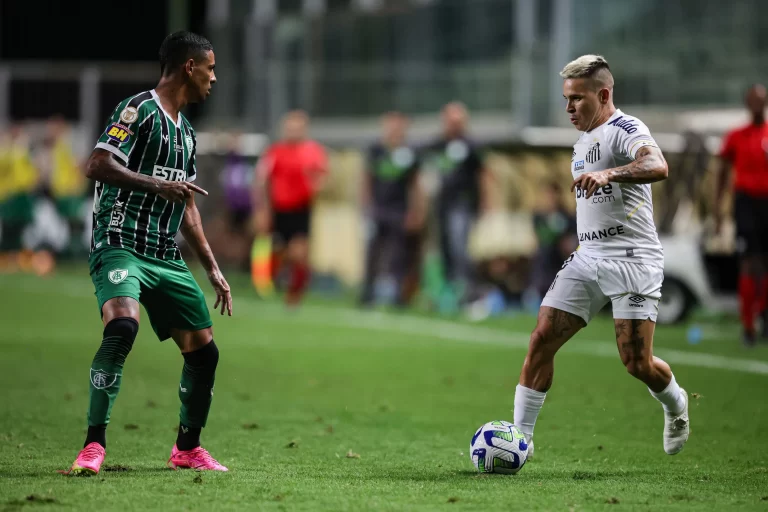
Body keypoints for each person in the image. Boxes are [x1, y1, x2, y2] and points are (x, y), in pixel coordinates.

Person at [63, 31, 232, 476]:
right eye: (211, 69)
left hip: (163, 254)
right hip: (120, 244)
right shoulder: (137, 110)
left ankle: (187, 448)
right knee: (122, 325)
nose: (215, 78)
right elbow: (97, 164)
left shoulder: (188, 134)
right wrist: (158, 184)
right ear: (189, 68)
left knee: (204, 352)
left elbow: (187, 204)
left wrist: (213, 268)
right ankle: (93, 445)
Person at [511, 55, 689, 460]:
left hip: (633, 260)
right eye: (565, 100)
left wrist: (610, 174)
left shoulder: (625, 128)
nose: (569, 108)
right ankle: (520, 441)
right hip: (588, 258)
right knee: (541, 339)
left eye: (576, 99)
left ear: (603, 94)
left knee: (636, 362)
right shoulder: (582, 141)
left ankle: (676, 405)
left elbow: (658, 164)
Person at [253, 110, 328, 307]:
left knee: (299, 253)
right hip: (278, 209)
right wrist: (263, 210)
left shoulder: (313, 152)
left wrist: (316, 185)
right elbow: (263, 181)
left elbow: (322, 178)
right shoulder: (274, 152)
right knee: (279, 251)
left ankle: (295, 294)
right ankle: (275, 282)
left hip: (301, 209)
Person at [714, 84, 768, 345]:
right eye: (754, 101)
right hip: (746, 203)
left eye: (762, 100)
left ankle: (764, 319)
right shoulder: (736, 135)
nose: (758, 105)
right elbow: (722, 172)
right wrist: (717, 208)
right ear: (748, 104)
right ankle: (748, 327)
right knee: (750, 262)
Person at [424, 102, 491, 309]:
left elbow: (483, 175)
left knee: (458, 246)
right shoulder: (436, 145)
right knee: (444, 249)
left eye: (457, 121)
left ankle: (470, 292)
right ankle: (450, 292)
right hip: (441, 204)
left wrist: (486, 203)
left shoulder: (471, 146)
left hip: (462, 203)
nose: (453, 125)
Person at [359, 111, 425, 307]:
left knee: (399, 254)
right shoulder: (375, 151)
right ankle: (368, 292)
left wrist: (416, 211)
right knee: (373, 252)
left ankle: (398, 294)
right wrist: (366, 206)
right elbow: (366, 180)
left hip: (400, 210)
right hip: (378, 209)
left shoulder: (410, 153)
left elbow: (415, 185)